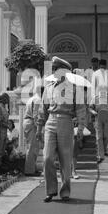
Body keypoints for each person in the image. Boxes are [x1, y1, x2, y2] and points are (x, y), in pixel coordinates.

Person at [36, 56, 85, 202]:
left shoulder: (75, 87)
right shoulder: (49, 86)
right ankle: (50, 190)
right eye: (53, 69)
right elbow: (42, 108)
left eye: (56, 69)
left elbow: (81, 109)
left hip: (66, 121)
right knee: (48, 158)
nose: (53, 71)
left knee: (65, 158)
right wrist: (39, 127)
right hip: (50, 121)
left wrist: (81, 127)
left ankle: (65, 191)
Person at [23, 88, 42, 176]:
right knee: (32, 148)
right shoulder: (37, 100)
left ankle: (32, 168)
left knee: (32, 147)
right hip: (31, 123)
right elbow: (36, 115)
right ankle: (30, 171)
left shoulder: (32, 99)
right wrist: (39, 128)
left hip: (28, 122)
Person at [0, 93, 10, 168]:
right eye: (6, 98)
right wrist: (7, 125)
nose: (8, 100)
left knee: (3, 149)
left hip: (4, 131)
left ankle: (1, 165)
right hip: (0, 130)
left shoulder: (5, 108)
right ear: (2, 99)